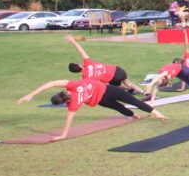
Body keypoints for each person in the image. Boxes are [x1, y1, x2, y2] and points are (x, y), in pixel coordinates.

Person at [18, 78, 166, 140]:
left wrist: (31, 94)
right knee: (121, 108)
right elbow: (52, 84)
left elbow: (51, 84)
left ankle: (154, 112)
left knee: (129, 102)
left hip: (107, 92)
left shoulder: (72, 94)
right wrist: (63, 135)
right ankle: (136, 115)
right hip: (103, 97)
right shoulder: (72, 94)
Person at [64, 35, 143, 92]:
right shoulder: (88, 63)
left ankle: (129, 89)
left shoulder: (85, 77)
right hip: (118, 70)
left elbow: (84, 86)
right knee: (129, 83)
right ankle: (144, 92)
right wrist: (73, 41)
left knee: (117, 87)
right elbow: (81, 51)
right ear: (78, 65)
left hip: (113, 79)